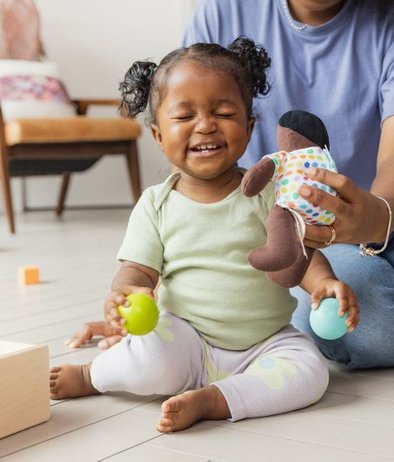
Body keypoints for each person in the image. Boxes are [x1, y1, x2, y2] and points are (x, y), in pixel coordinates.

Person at [50, 37, 358, 433]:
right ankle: (93, 375)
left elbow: (300, 256)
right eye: (184, 117)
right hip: (185, 338)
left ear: (248, 128)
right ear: (159, 136)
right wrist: (126, 294)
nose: (206, 124)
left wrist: (325, 283)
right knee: (150, 357)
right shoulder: (155, 205)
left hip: (266, 341)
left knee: (311, 373)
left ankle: (219, 399)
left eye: (223, 112)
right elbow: (137, 271)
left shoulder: (270, 195)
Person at [179, 0, 394, 369]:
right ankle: (282, 306)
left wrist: (380, 216)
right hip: (290, 240)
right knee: (365, 320)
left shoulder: (384, 21)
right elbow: (188, 149)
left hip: (376, 224)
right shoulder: (221, 12)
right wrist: (161, 299)